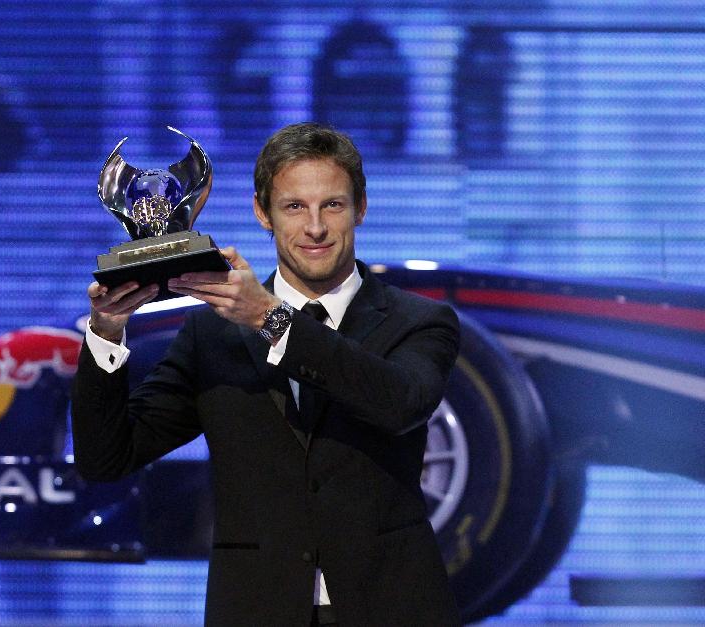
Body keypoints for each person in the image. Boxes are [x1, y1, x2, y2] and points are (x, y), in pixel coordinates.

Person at [72, 123, 462, 626]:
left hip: (393, 607)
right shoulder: (210, 336)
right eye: (294, 207)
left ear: (361, 208)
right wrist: (106, 331)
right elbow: (106, 458)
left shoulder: (420, 321)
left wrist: (270, 318)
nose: (315, 228)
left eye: (333, 206)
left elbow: (400, 403)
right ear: (263, 214)